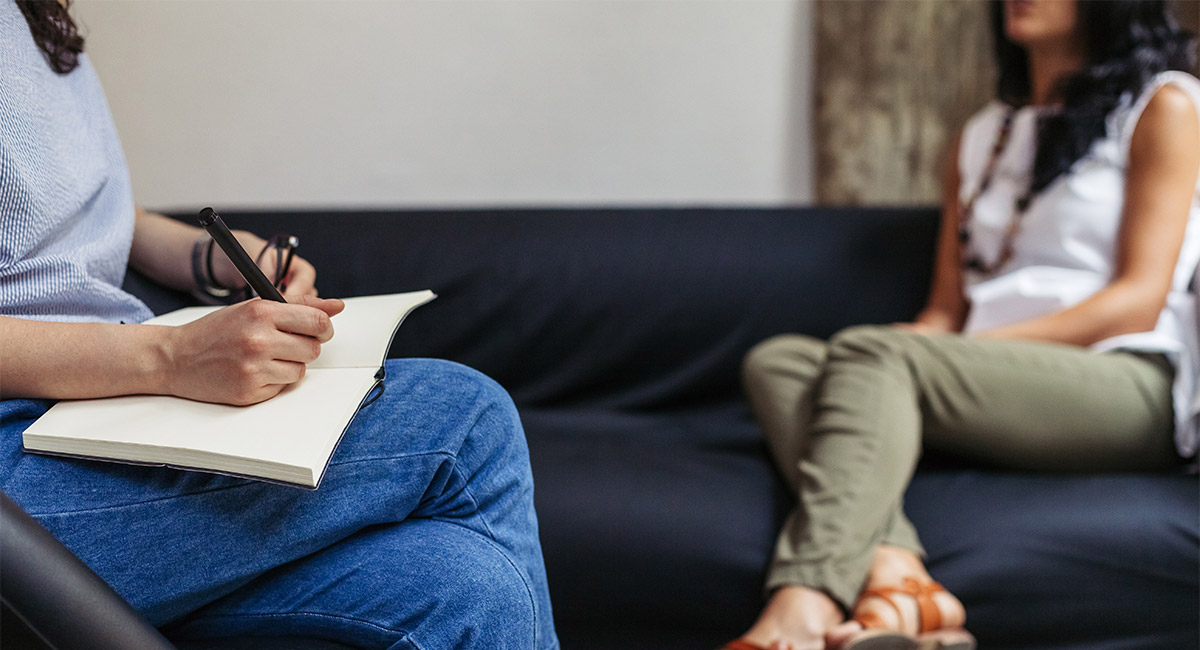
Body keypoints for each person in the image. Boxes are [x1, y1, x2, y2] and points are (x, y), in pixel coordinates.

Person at [0, 2, 558, 648]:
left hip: (92, 408)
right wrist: (170, 357)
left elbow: (76, 213)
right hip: (22, 469)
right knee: (467, 416)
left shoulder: (31, 14)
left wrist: (212, 255)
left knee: (470, 588)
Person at [724, 1, 1200, 649]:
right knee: (781, 360)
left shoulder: (1164, 107)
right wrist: (917, 345)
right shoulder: (982, 135)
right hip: (990, 378)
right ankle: (902, 582)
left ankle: (803, 603)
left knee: (875, 353)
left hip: (1126, 378)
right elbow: (947, 310)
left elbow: (1138, 299)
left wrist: (925, 354)